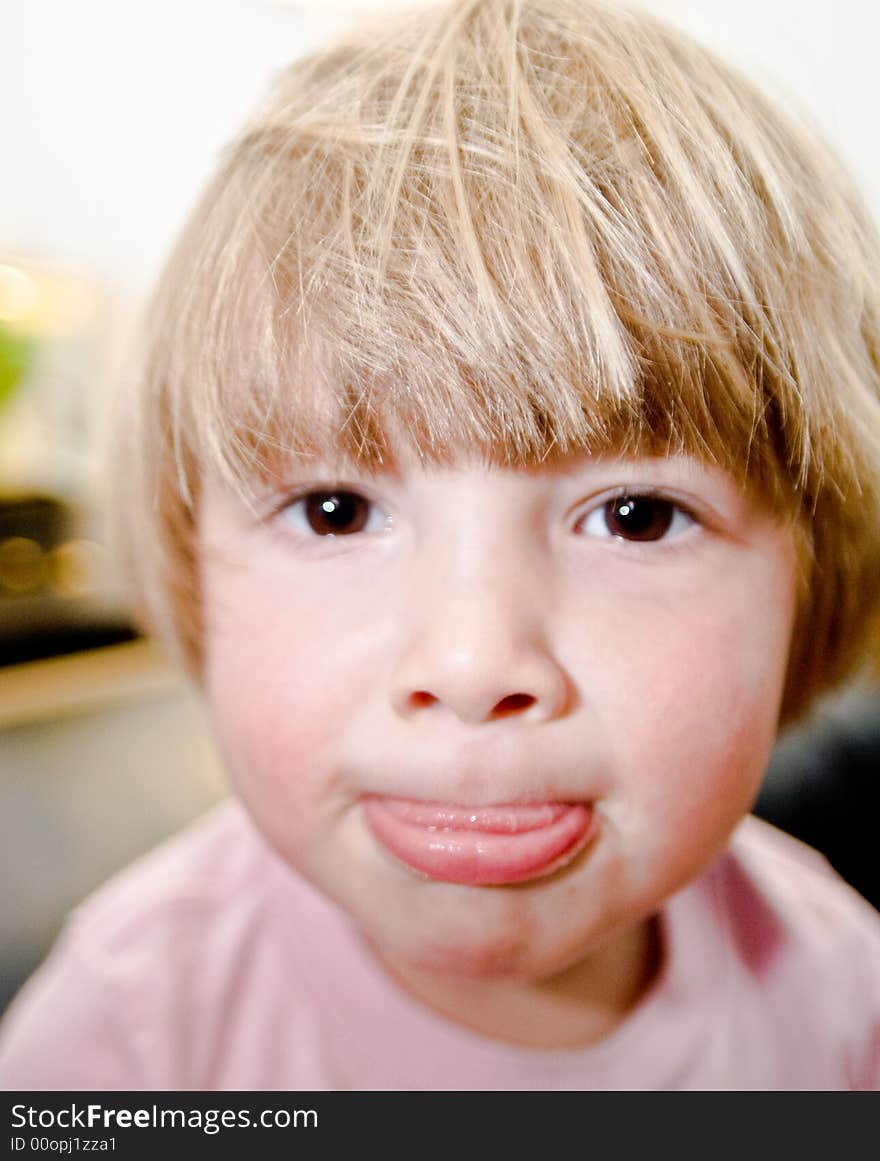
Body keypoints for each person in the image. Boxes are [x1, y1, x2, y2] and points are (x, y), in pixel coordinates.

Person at [1, 0, 879, 1090]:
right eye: (336, 510)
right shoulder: (126, 1044)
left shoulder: (841, 997)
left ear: (812, 591)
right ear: (193, 581)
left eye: (636, 515)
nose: (469, 666)